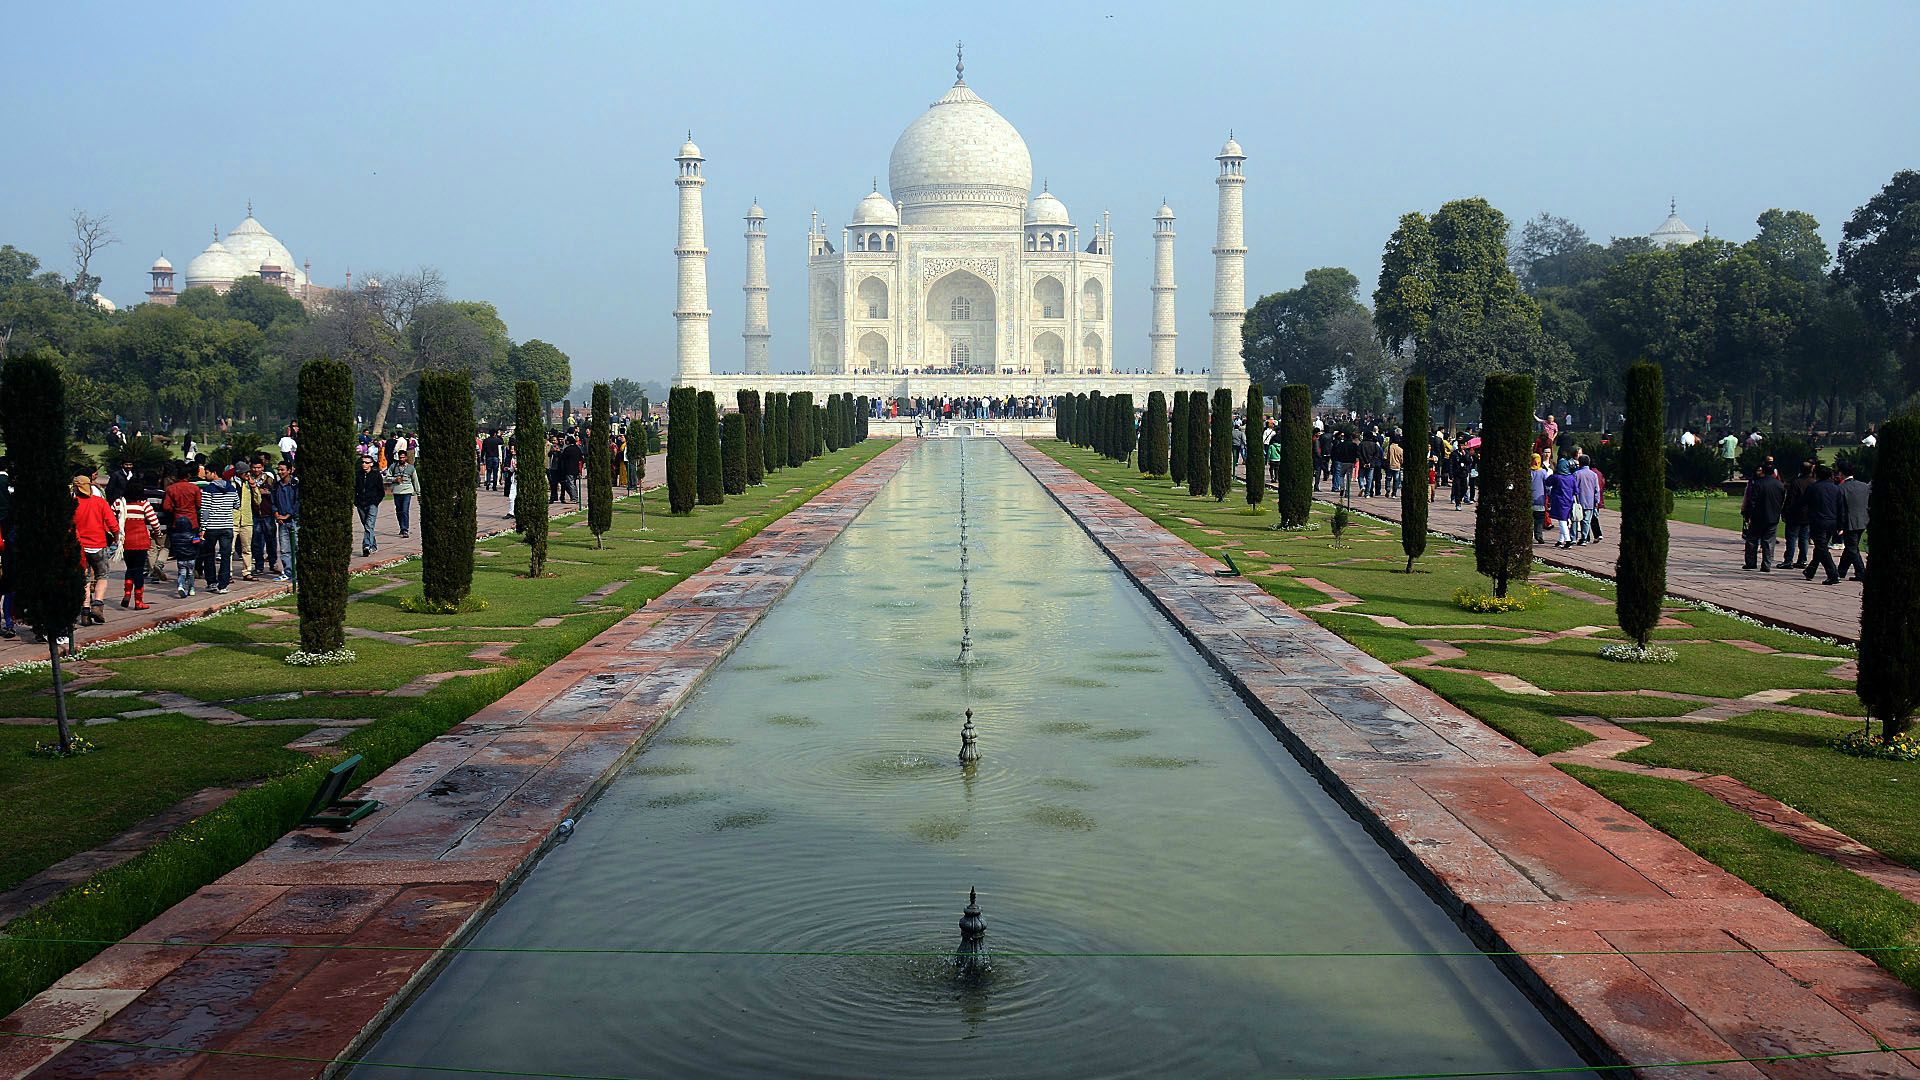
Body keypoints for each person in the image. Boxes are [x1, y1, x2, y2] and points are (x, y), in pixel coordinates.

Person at [72, 473, 120, 625]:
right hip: (98, 544)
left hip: (79, 547)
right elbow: (112, 523)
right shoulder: (99, 502)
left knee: (84, 579)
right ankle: (98, 604)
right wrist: (117, 536)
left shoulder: (72, 503)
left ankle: (85, 610)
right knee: (102, 575)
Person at [115, 482, 160, 608]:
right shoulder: (144, 504)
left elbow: (111, 515)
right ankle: (138, 601)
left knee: (130, 569)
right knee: (139, 571)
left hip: (125, 541)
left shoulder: (120, 503)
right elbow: (154, 522)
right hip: (140, 541)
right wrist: (158, 533)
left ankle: (127, 593)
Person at [197, 468, 240, 594]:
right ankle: (223, 585)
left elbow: (205, 510)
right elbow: (237, 505)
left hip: (211, 527)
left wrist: (203, 528)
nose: (205, 476)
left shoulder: (208, 489)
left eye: (207, 473)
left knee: (209, 555)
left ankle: (211, 582)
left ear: (214, 473)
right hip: (227, 526)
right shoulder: (232, 488)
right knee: (226, 556)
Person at [1802, 465, 1844, 585]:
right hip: (1832, 521)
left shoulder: (1813, 488)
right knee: (1821, 546)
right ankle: (1810, 570)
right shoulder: (1836, 489)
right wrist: (1840, 525)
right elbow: (1841, 508)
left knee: (1822, 547)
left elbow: (1803, 502)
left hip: (1818, 521)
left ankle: (1833, 574)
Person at [1740, 464, 1785, 571]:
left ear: (1763, 471)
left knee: (1752, 540)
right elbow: (1782, 500)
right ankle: (1766, 564)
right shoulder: (1779, 484)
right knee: (1769, 541)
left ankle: (1751, 562)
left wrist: (1748, 514)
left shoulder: (1758, 483)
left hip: (1758, 516)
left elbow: (1752, 501)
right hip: (1773, 516)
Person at [1835, 461, 1870, 582]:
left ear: (1841, 473)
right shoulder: (1864, 486)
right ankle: (1841, 570)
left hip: (1849, 521)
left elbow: (1841, 508)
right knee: (1851, 546)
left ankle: (1861, 572)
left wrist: (1839, 525)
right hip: (1863, 519)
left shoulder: (1841, 488)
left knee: (1851, 548)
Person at [1781, 459, 1816, 569]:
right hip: (1808, 514)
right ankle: (1802, 559)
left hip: (1795, 514)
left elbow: (1790, 499)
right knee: (1804, 538)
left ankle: (1788, 560)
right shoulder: (1814, 482)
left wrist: (1785, 511)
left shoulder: (1796, 482)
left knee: (1791, 538)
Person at [271, 461, 298, 583]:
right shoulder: (277, 486)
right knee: (284, 549)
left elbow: (298, 501)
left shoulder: (295, 484)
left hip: (294, 520)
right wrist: (277, 514)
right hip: (282, 521)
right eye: (279, 470)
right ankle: (288, 572)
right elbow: (273, 502)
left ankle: (297, 572)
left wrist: (288, 515)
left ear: (289, 470)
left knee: (296, 547)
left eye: (283, 470)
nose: (281, 472)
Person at [354, 453, 386, 557]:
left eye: (366, 462)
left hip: (372, 503)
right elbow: (354, 489)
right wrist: (356, 501)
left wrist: (375, 502)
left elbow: (381, 491)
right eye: (363, 462)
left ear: (371, 464)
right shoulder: (358, 474)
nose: (364, 464)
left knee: (369, 525)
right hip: (360, 503)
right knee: (367, 526)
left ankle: (366, 546)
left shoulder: (376, 475)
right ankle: (373, 545)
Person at [1546, 459, 1580, 548]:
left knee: (1562, 521)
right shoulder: (1571, 477)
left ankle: (1568, 540)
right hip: (1569, 501)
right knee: (1564, 520)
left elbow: (1547, 482)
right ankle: (1560, 540)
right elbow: (1576, 491)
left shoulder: (1556, 477)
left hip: (1559, 501)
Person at [390, 449, 418, 539]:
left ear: (406, 457)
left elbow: (415, 480)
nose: (401, 459)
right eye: (400, 457)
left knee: (405, 510)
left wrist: (418, 492)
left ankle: (405, 528)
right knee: (399, 510)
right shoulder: (393, 467)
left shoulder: (411, 468)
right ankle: (401, 527)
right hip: (397, 491)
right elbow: (386, 477)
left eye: (403, 457)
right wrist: (394, 479)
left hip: (407, 491)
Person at [1573, 455, 1600, 545]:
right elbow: (1597, 489)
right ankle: (1584, 538)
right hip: (1590, 501)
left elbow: (1574, 488)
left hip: (1579, 500)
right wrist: (1597, 501)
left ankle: (1575, 537)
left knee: (1577, 519)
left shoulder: (1577, 474)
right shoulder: (1593, 475)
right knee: (1586, 521)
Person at [1529, 453, 1550, 544]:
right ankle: (1539, 535)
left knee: (1530, 520)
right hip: (1540, 500)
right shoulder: (1543, 472)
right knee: (1539, 520)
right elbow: (1547, 486)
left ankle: (1528, 536)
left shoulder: (1528, 472)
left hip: (1529, 499)